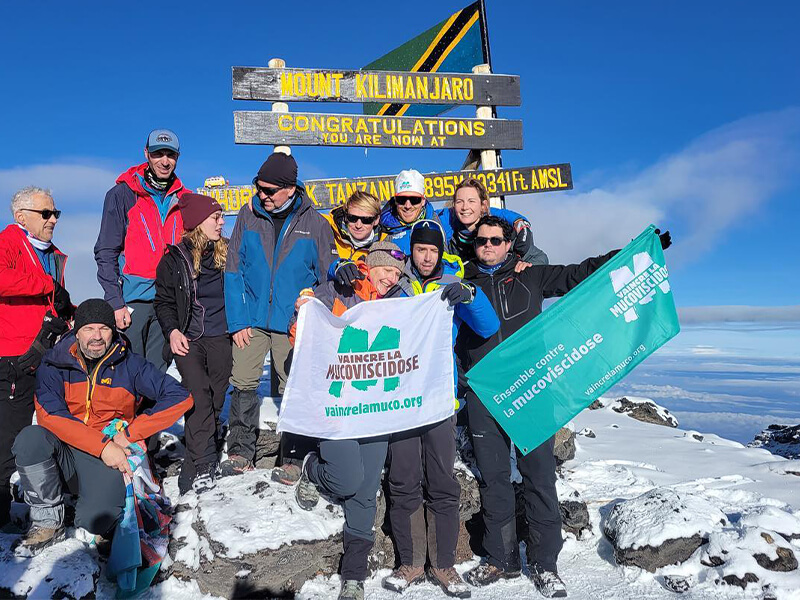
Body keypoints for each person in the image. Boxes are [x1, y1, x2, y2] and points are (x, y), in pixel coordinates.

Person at [458, 216, 672, 597]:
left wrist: (634, 252)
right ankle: (500, 559)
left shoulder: (532, 276)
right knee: (494, 480)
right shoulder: (464, 287)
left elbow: (583, 273)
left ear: (510, 244)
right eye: (481, 242)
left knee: (539, 477)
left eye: (495, 240)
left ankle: (544, 564)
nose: (487, 246)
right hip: (484, 395)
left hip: (531, 390)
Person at [11, 299, 192, 554]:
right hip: (66, 450)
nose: (96, 337)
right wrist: (103, 446)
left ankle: (92, 503)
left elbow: (180, 397)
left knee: (95, 520)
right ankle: (48, 522)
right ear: (77, 331)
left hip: (106, 458)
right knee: (30, 439)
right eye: (88, 329)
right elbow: (50, 415)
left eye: (104, 329)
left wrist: (130, 433)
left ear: (113, 331)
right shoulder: (54, 364)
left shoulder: (130, 365)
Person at [382, 219, 499, 598]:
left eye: (434, 249)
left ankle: (444, 564)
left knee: (442, 481)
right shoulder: (396, 288)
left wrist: (470, 295)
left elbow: (487, 326)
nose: (428, 256)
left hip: (437, 399)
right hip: (400, 400)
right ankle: (412, 562)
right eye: (421, 249)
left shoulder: (450, 286)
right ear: (412, 250)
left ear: (440, 251)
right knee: (402, 479)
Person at [289, 241, 408, 600]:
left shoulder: (400, 302)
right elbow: (300, 334)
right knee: (346, 479)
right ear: (370, 265)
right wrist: (302, 311)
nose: (391, 278)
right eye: (386, 269)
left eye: (398, 273)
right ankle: (313, 469)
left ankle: (353, 574)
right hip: (336, 406)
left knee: (365, 490)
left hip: (374, 408)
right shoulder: (338, 288)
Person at [222, 152, 336, 478]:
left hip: (292, 324)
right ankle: (241, 451)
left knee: (293, 387)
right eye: (259, 188)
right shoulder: (248, 217)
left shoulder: (316, 225)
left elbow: (327, 279)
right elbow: (233, 272)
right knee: (243, 383)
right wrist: (237, 321)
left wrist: (311, 308)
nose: (262, 195)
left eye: (269, 190)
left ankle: (294, 456)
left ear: (290, 188)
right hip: (251, 320)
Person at [0, 186, 73, 530]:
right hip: (14, 355)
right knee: (8, 436)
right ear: (21, 217)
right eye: (46, 213)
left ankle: (53, 497)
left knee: (50, 427)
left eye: (55, 213)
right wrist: (43, 282)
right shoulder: (10, 242)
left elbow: (53, 299)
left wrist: (75, 313)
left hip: (47, 353)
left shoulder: (52, 253)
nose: (53, 219)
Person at [155, 193, 231, 494]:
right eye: (216, 217)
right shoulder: (173, 259)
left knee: (215, 397)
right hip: (189, 337)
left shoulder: (229, 254)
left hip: (222, 335)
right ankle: (204, 464)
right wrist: (172, 331)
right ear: (199, 222)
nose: (222, 222)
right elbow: (163, 302)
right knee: (198, 394)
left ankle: (192, 459)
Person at [94, 128, 188, 372]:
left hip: (169, 301)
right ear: (146, 153)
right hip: (134, 301)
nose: (165, 161)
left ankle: (152, 412)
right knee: (129, 370)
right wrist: (115, 302)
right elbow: (106, 251)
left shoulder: (184, 198)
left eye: (171, 155)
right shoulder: (122, 194)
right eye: (158, 154)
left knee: (156, 372)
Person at [437, 178, 548, 265]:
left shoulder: (500, 234)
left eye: (471, 201)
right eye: (459, 202)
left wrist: (524, 268)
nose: (465, 207)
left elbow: (540, 258)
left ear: (483, 205)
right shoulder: (450, 238)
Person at [326, 191, 389, 287]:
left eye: (366, 220)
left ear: (376, 220)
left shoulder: (385, 244)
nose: (358, 225)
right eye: (352, 218)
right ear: (346, 216)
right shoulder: (325, 227)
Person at [379, 169, 441, 255]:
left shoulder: (439, 222)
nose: (408, 206)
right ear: (395, 200)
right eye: (402, 199)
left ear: (423, 201)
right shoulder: (382, 227)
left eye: (414, 200)